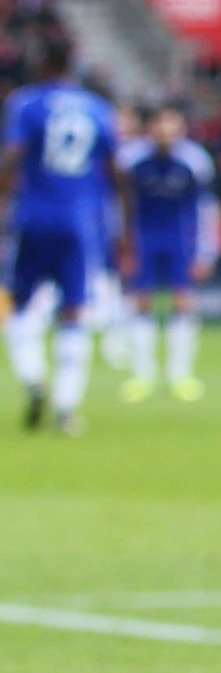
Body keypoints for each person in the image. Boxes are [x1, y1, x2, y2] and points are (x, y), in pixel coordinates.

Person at [4, 31, 123, 436]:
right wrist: (122, 226)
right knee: (74, 311)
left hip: (33, 216)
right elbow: (117, 170)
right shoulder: (98, 108)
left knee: (20, 305)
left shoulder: (24, 103)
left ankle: (34, 378)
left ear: (42, 66)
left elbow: (14, 156)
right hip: (81, 220)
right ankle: (67, 409)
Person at [116, 103, 217, 401]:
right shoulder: (131, 159)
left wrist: (206, 252)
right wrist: (122, 243)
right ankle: (142, 375)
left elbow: (205, 209)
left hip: (179, 239)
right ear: (150, 127)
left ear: (181, 127)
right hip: (142, 238)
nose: (165, 130)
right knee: (140, 302)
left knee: (183, 302)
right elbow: (120, 205)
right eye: (160, 123)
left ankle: (181, 375)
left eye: (171, 124)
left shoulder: (195, 161)